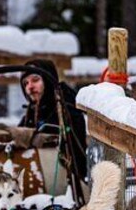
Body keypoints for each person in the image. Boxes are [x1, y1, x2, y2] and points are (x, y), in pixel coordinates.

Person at [19, 58, 89, 186]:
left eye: (35, 80)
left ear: (47, 80)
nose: (30, 87)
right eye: (25, 83)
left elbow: (70, 149)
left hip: (66, 180)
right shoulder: (31, 114)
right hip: (38, 178)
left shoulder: (66, 108)